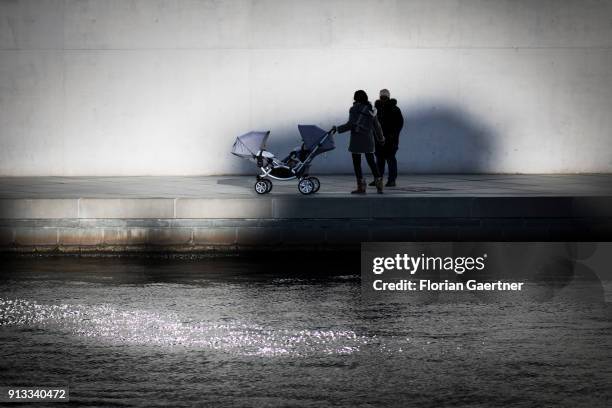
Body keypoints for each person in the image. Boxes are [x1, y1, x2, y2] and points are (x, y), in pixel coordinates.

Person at [335, 90, 385, 194]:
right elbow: (377, 126)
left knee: (357, 164)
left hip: (357, 139)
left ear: (355, 98)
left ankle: (361, 187)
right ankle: (379, 185)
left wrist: (337, 129)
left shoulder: (354, 109)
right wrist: (381, 138)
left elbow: (351, 124)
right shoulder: (372, 109)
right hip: (368, 139)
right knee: (372, 162)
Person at [371, 89, 403, 187]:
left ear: (388, 97)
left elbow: (399, 124)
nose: (383, 99)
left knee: (390, 160)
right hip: (379, 140)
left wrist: (393, 135)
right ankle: (378, 179)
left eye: (385, 97)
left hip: (390, 140)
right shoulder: (376, 109)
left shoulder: (394, 109)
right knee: (380, 160)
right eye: (382, 97)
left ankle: (391, 180)